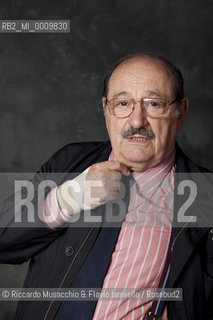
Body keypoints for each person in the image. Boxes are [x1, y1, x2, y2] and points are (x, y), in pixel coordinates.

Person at [0, 53, 212, 320]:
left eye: (154, 104)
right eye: (123, 103)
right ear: (106, 109)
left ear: (180, 113)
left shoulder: (206, 196)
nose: (137, 121)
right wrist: (68, 199)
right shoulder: (69, 162)